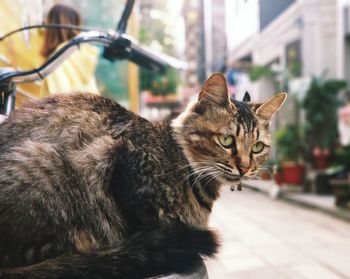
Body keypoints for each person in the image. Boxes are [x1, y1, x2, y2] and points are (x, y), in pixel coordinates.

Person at [40, 4, 99, 96]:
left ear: (52, 27)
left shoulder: (58, 59)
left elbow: (59, 101)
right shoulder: (80, 54)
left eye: (46, 21)